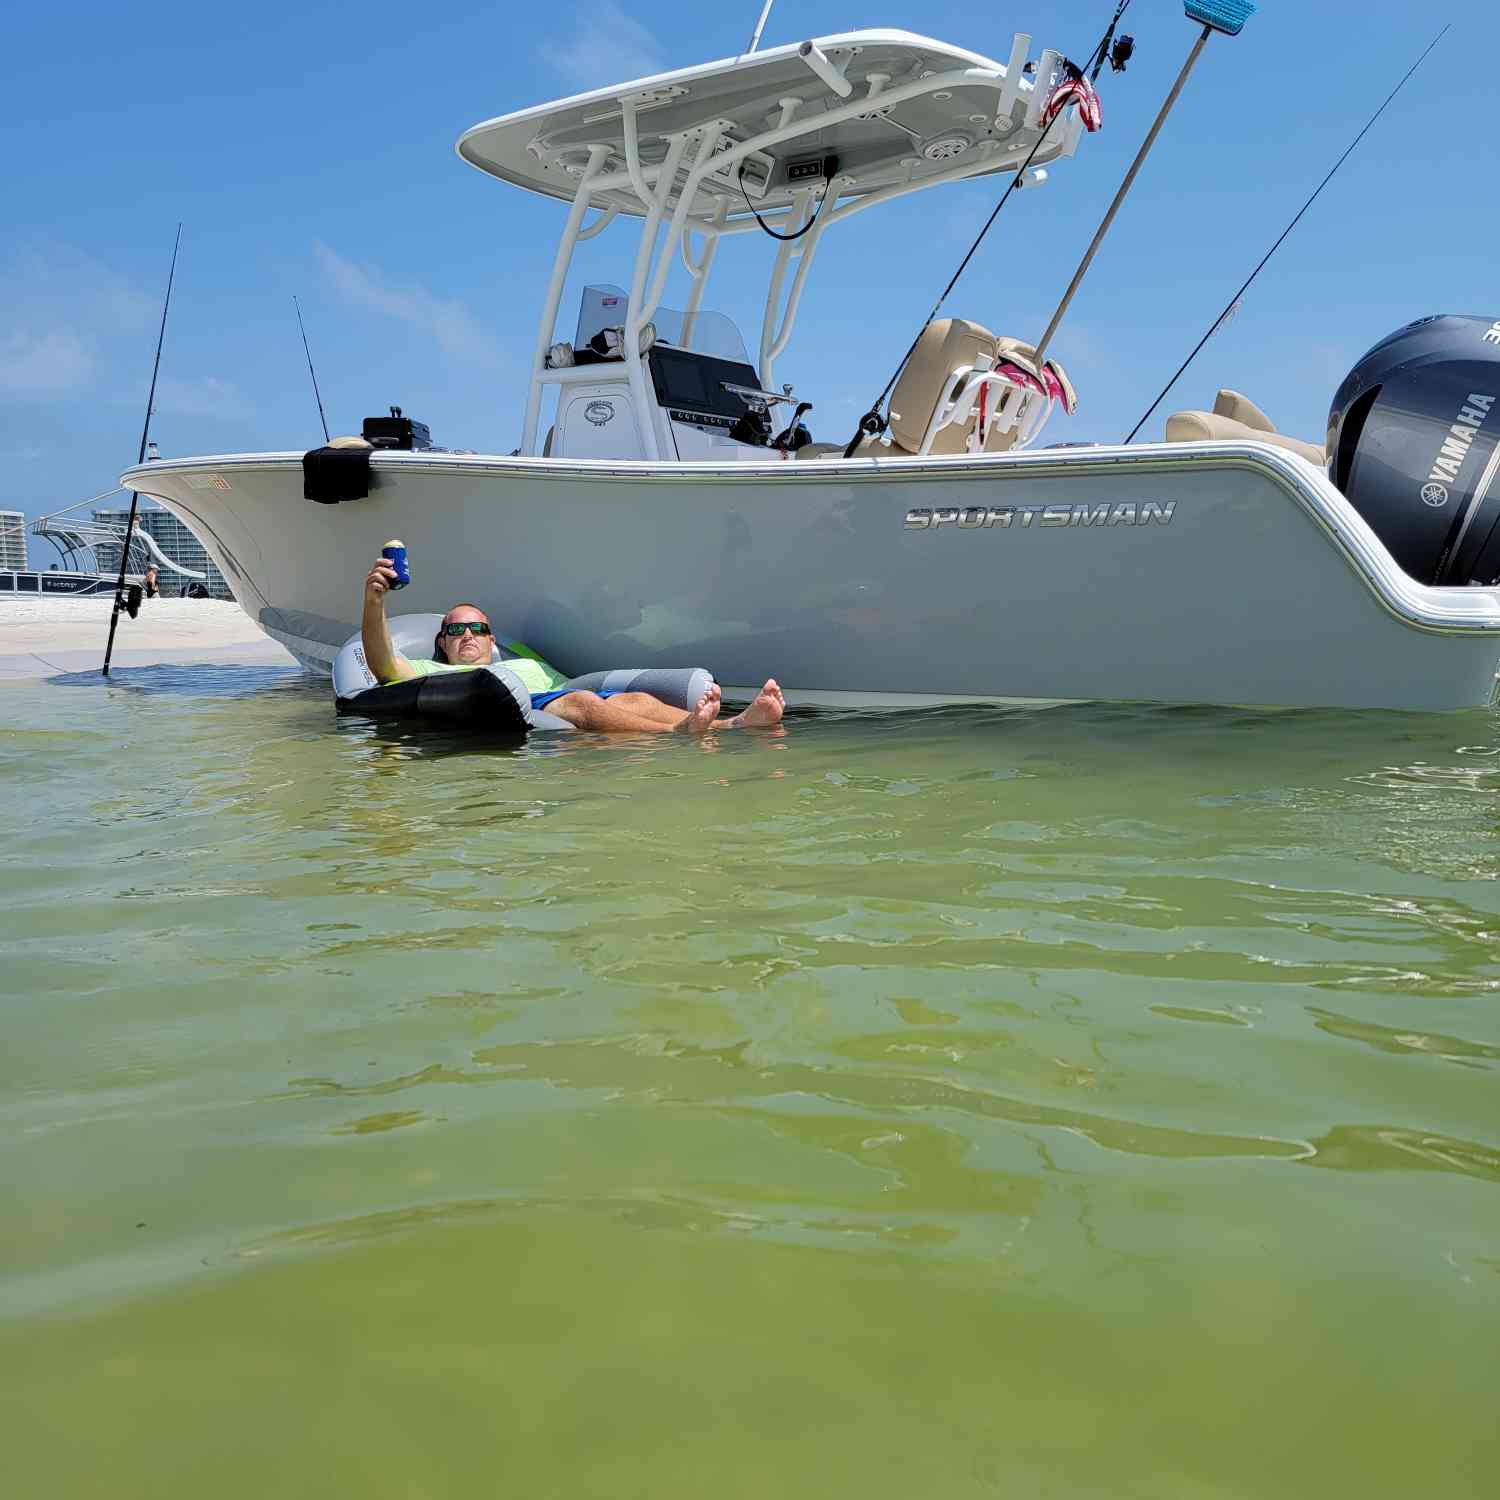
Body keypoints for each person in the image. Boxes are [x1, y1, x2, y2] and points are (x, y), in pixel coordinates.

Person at [361, 555, 783, 733]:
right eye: (455, 631)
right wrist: (375, 598)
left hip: (562, 689)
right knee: (582, 701)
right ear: (442, 642)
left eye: (476, 629)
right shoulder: (439, 673)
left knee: (634, 697)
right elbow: (385, 668)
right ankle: (681, 733)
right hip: (523, 701)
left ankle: (733, 724)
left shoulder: (524, 657)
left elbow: (574, 681)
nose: (466, 636)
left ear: (493, 637)